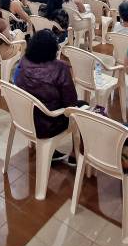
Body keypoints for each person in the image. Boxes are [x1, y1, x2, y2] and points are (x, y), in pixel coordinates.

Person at [14, 29, 85, 160]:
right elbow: (71, 104)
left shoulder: (23, 61)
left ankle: (45, 149)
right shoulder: (60, 68)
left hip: (24, 118)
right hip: (48, 124)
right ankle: (75, 155)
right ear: (53, 49)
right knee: (84, 107)